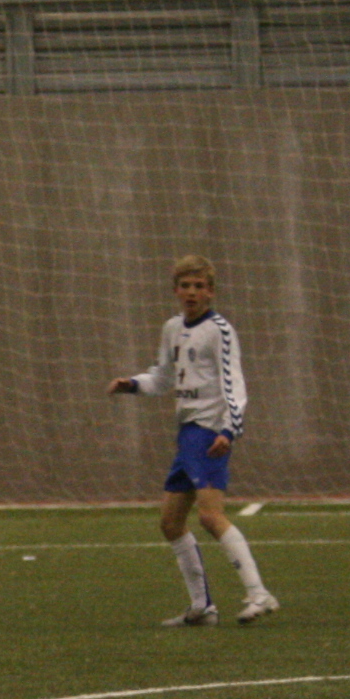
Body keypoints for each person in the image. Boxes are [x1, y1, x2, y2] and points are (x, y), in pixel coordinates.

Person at [105, 255, 277, 627]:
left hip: (209, 430)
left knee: (210, 515)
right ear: (175, 290)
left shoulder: (220, 330)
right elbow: (163, 378)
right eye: (185, 286)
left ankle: (259, 594)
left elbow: (235, 384)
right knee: (170, 523)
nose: (192, 293)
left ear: (211, 292)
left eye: (199, 286)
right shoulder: (172, 328)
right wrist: (132, 384)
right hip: (187, 433)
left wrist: (229, 430)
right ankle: (202, 607)